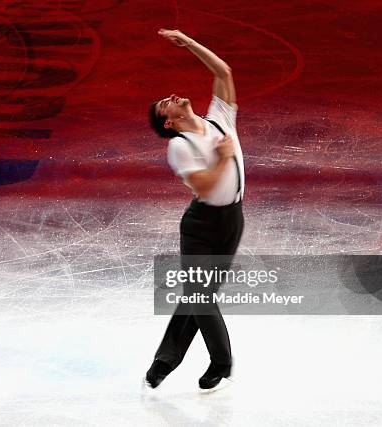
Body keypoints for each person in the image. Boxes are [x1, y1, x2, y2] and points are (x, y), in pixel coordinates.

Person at [145, 28, 245, 390]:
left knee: (200, 297)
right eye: (164, 105)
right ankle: (221, 362)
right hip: (201, 226)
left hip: (233, 219)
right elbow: (204, 185)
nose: (171, 98)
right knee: (202, 296)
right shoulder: (179, 146)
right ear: (168, 123)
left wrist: (187, 42)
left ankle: (164, 362)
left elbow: (224, 73)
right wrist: (222, 157)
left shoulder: (219, 119)